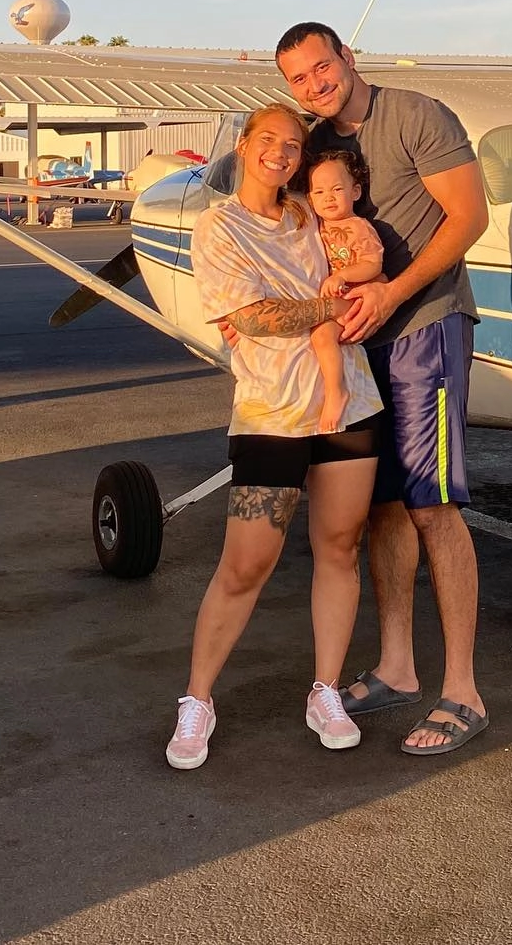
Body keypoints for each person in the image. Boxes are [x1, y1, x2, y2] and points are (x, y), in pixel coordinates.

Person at [276, 22, 491, 758]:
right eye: (299, 79)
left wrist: (395, 289)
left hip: (425, 327)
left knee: (434, 507)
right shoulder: (312, 144)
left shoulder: (416, 116)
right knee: (384, 509)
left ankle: (461, 689)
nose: (315, 85)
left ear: (347, 58)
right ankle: (397, 665)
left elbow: (469, 216)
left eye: (321, 67)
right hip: (359, 341)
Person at [166, 102, 383, 771]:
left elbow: (355, 250)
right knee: (246, 565)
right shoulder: (218, 225)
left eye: (293, 144)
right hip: (271, 412)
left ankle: (325, 690)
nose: (282, 153)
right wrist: (327, 307)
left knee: (340, 549)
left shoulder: (310, 213)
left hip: (349, 405)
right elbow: (256, 318)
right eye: (270, 141)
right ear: (245, 143)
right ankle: (198, 698)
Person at [307, 145, 385, 299]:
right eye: (319, 192)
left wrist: (342, 276)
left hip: (355, 295)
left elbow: (373, 264)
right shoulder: (314, 224)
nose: (329, 197)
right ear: (310, 199)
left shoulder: (359, 227)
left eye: (337, 189)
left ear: (355, 192)